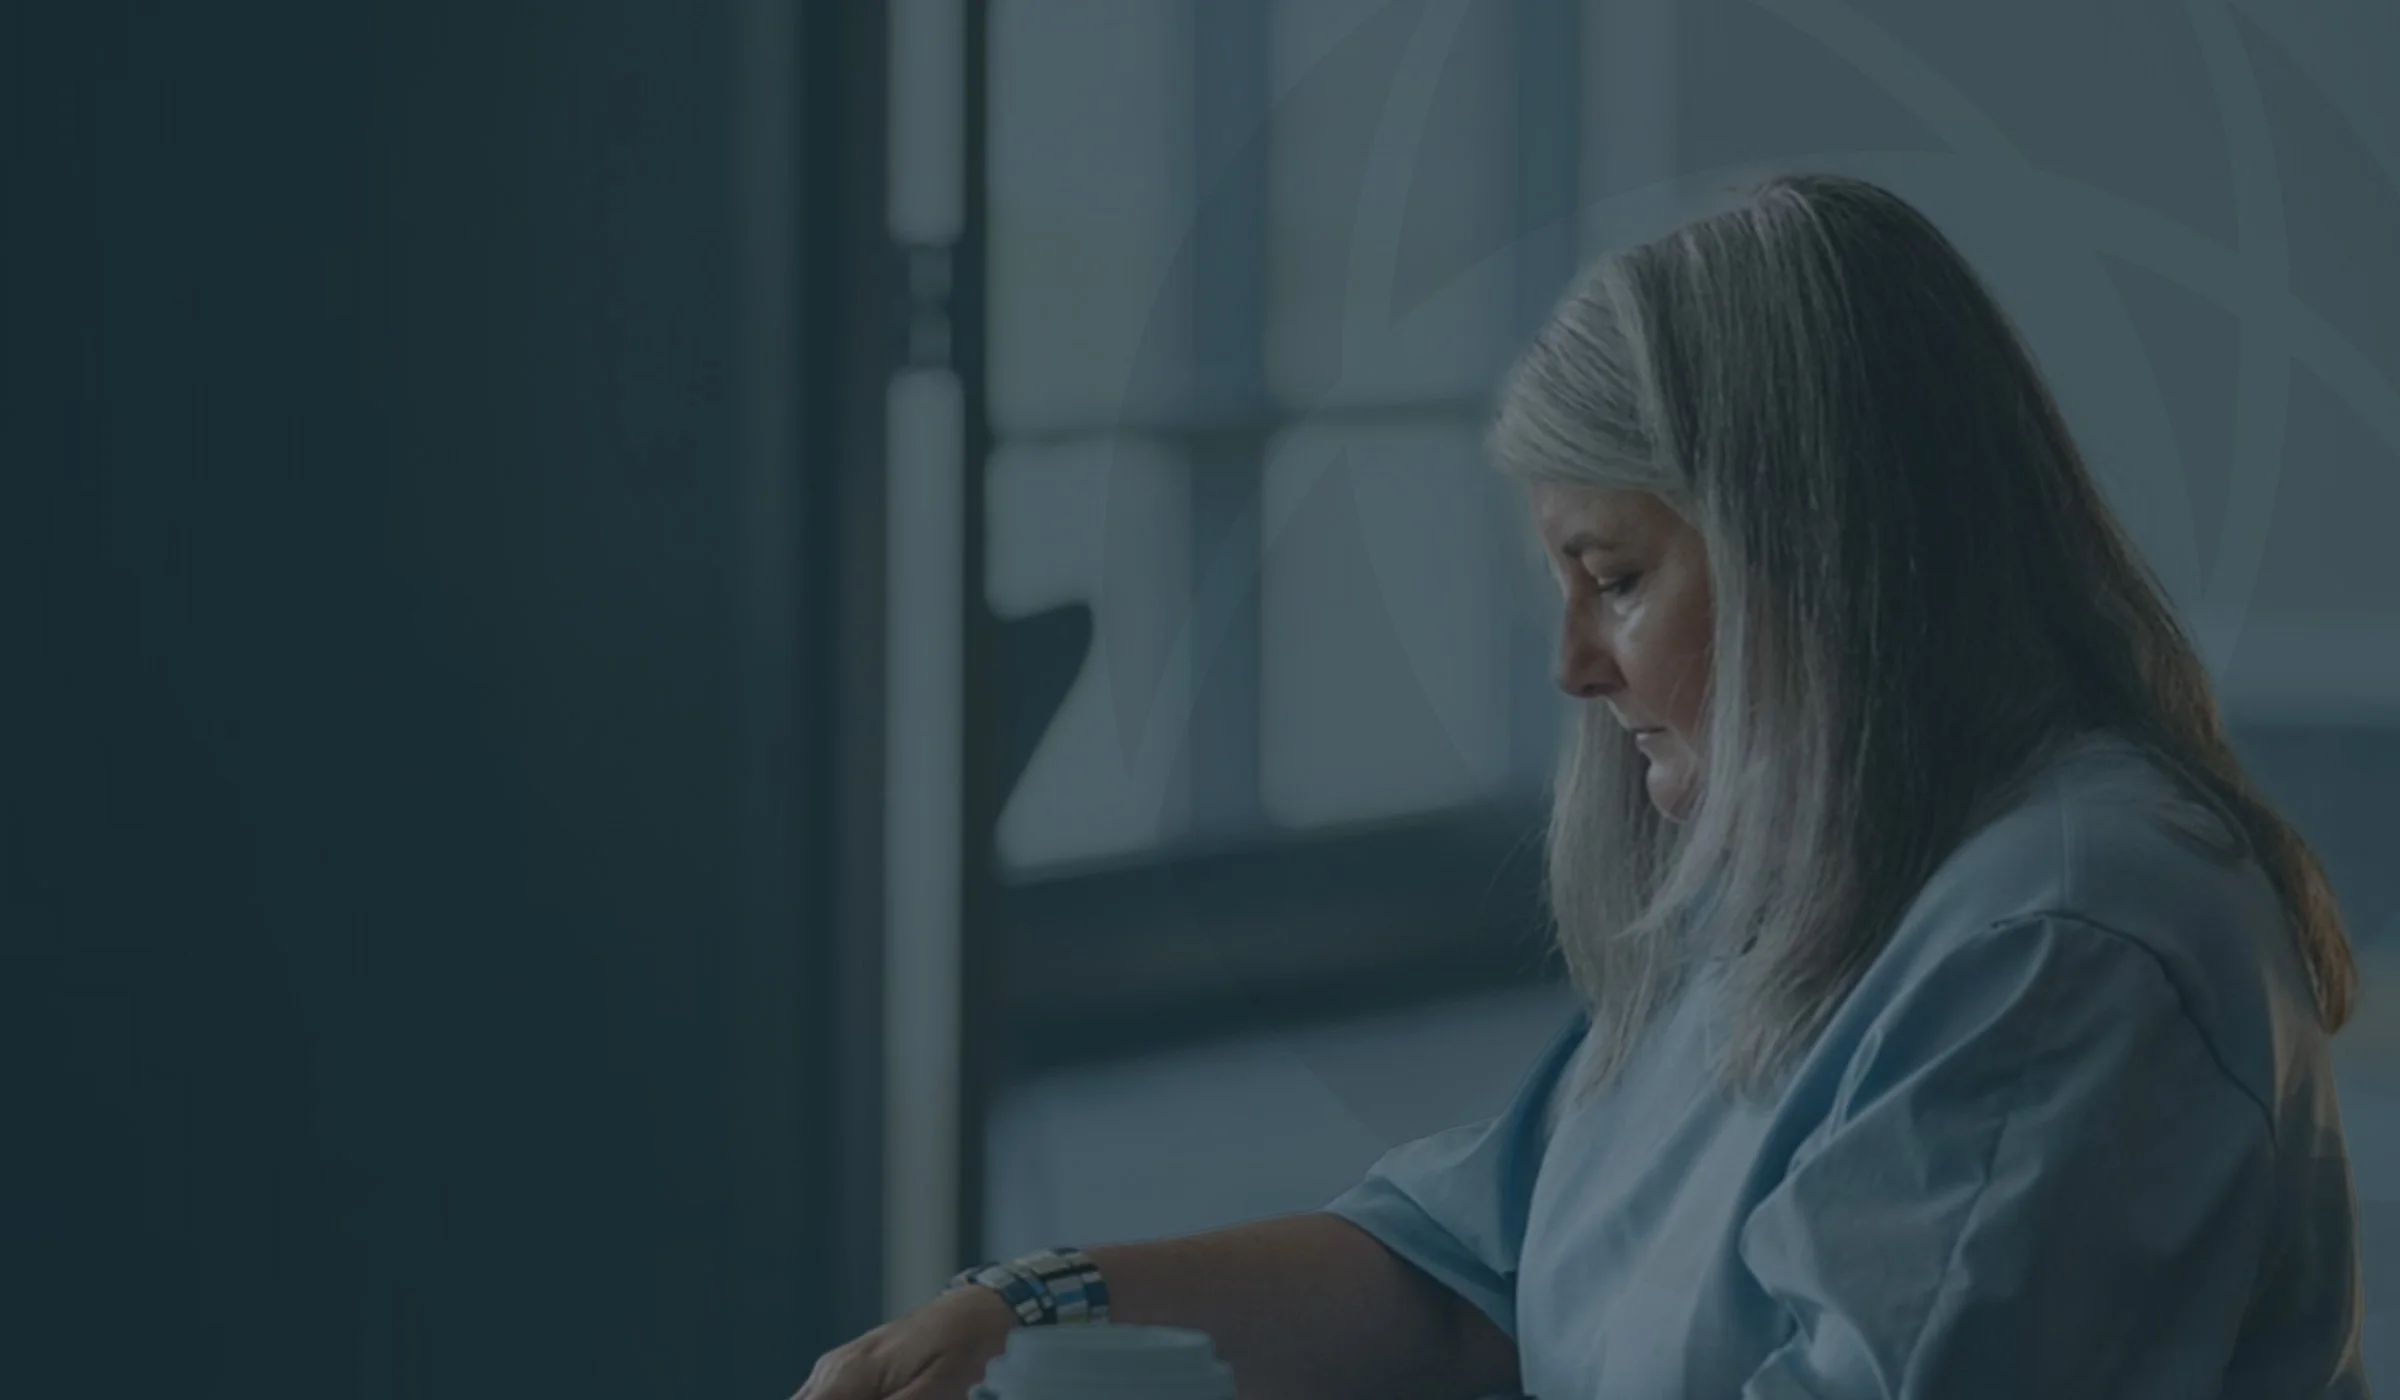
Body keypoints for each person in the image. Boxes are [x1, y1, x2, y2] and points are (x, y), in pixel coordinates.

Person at [796, 173, 2372, 1399]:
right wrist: (1018, 1314)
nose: (1573, 668)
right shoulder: (1811, 878)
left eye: (1611, 578)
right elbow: (1456, 1273)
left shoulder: (2069, 945)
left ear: (1811, 561)